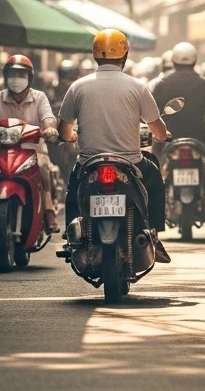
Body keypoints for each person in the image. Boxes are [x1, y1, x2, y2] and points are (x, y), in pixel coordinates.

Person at [58, 29, 173, 264]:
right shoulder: (137, 87)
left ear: (94, 55)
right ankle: (154, 233)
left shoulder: (78, 87)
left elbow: (63, 129)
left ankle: (70, 237)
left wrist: (70, 137)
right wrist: (162, 136)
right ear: (125, 55)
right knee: (154, 181)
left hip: (88, 163)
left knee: (73, 192)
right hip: (130, 162)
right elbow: (157, 128)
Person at [0, 55, 60, 233]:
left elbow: (48, 118)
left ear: (29, 78)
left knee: (43, 170)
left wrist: (50, 129)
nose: (16, 78)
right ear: (6, 77)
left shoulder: (39, 97)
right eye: (12, 74)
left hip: (34, 149)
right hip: (0, 151)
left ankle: (48, 213)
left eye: (21, 75)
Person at [149, 42, 205, 197]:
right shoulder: (203, 84)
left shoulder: (163, 84)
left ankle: (154, 191)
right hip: (200, 139)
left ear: (174, 61)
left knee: (155, 153)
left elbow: (151, 113)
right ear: (195, 61)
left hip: (168, 140)